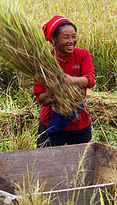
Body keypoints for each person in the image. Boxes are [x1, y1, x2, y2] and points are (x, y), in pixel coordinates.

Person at [33, 15, 96, 147]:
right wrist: (51, 92)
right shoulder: (44, 62)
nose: (71, 41)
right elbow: (40, 99)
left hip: (79, 121)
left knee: (80, 162)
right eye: (66, 37)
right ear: (53, 40)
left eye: (74, 36)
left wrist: (71, 80)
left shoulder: (82, 55)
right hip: (51, 122)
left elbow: (90, 80)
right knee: (47, 162)